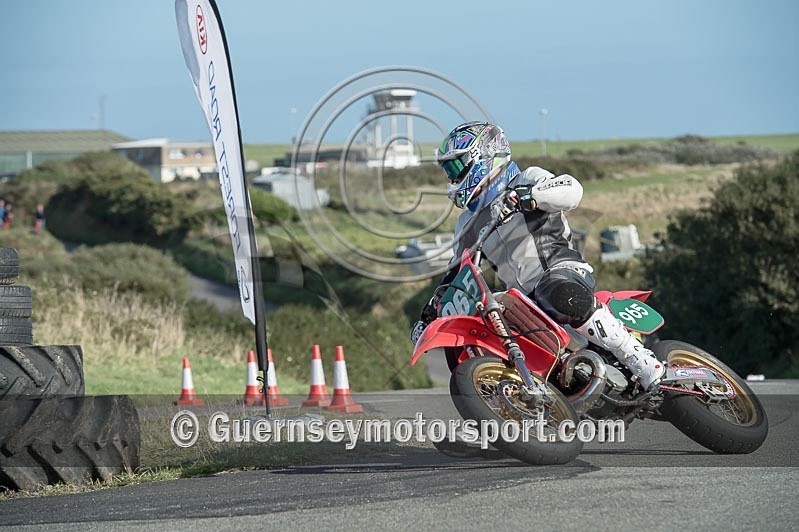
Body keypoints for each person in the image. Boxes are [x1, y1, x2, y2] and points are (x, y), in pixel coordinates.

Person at [410, 121, 664, 390]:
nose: (452, 177)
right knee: (494, 322)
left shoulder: (526, 178)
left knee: (554, 291)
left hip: (562, 270)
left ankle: (643, 362)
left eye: (456, 167)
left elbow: (572, 190)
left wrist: (531, 196)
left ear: (483, 155)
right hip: (523, 300)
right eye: (448, 170)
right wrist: (430, 314)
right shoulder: (466, 223)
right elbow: (457, 273)